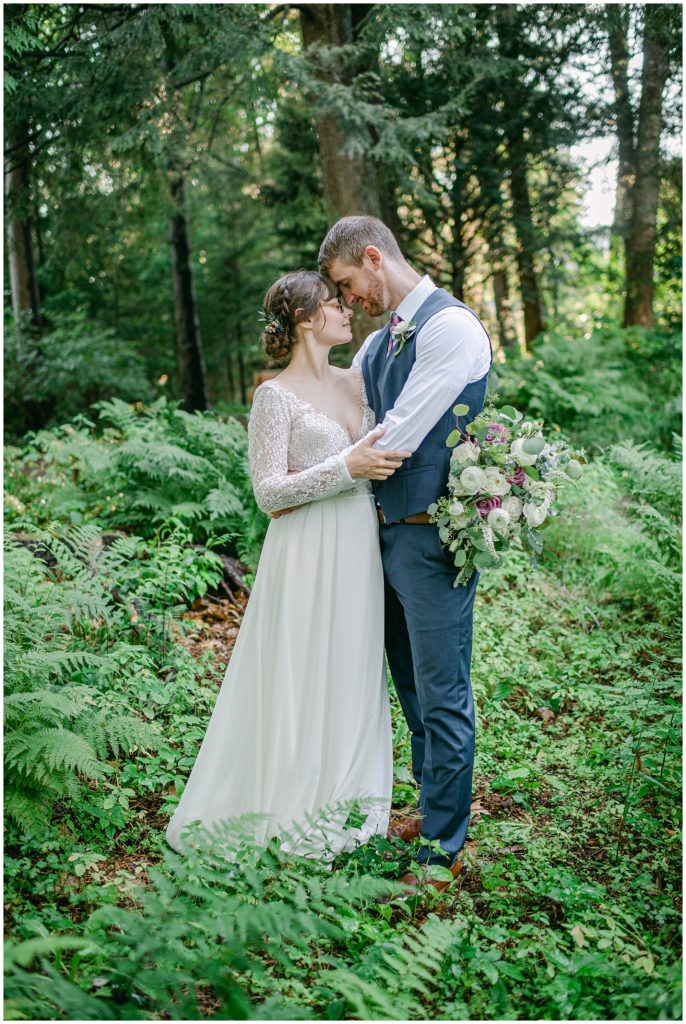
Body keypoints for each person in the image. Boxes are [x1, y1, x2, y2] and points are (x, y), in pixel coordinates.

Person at [165, 270, 411, 861]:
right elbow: (268, 491)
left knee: (352, 665)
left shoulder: (358, 383)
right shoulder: (273, 397)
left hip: (357, 545)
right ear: (306, 319)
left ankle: (353, 806)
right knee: (302, 669)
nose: (348, 310)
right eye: (335, 304)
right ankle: (289, 806)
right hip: (304, 549)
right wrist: (345, 468)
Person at [319, 215, 492, 893]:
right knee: (412, 689)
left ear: (372, 258)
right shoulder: (379, 344)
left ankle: (444, 845)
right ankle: (430, 810)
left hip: (429, 537)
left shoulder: (450, 328)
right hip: (381, 534)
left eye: (346, 283)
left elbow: (391, 437)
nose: (348, 298)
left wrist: (325, 470)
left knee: (443, 691)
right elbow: (349, 413)